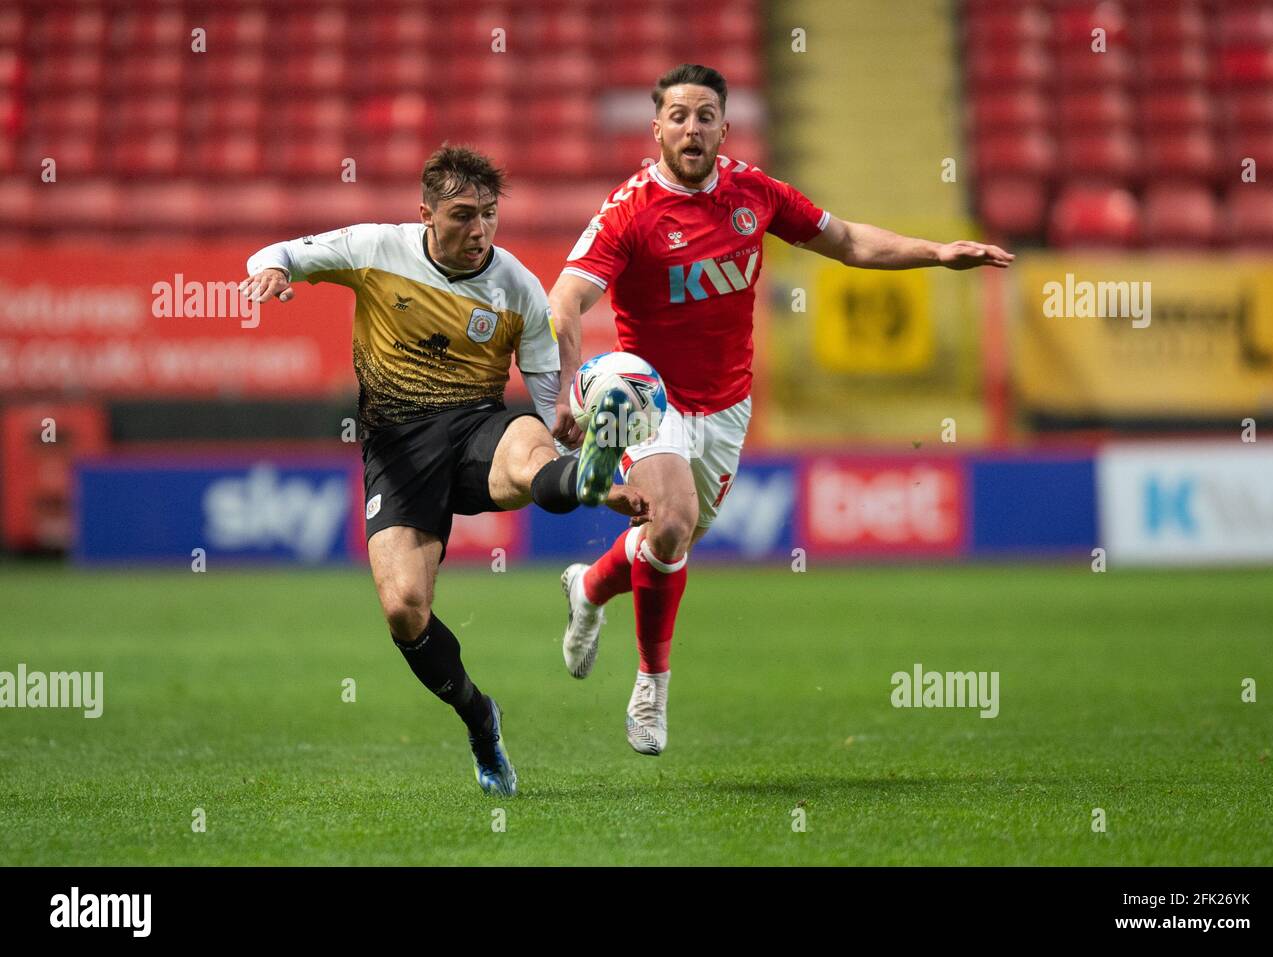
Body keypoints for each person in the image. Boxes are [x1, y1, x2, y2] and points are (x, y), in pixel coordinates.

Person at [548, 64, 1013, 755]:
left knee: (667, 541)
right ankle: (652, 684)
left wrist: (937, 253)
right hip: (650, 396)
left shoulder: (754, 194)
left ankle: (588, 587)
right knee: (670, 522)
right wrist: (562, 390)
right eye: (678, 115)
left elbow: (848, 241)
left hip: (728, 408)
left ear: (724, 126)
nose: (692, 127)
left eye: (705, 114)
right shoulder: (630, 211)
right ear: (656, 129)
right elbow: (564, 301)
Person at [240, 145, 647, 795]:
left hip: (478, 428)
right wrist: (270, 273)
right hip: (398, 453)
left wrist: (569, 429)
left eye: (489, 214)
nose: (480, 230)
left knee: (537, 461)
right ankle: (480, 716)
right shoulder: (376, 247)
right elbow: (280, 253)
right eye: (463, 215)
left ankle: (589, 481)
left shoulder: (516, 286)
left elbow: (546, 407)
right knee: (405, 608)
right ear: (425, 213)